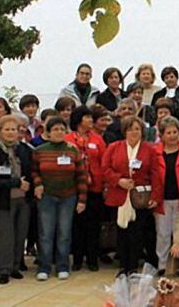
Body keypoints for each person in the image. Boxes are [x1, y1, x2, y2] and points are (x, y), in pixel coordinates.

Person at [32, 117, 87, 281]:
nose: (59, 132)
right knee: (45, 233)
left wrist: (82, 199)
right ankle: (44, 267)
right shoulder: (39, 150)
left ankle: (63, 266)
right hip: (46, 197)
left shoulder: (73, 150)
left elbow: (81, 176)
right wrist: (38, 184)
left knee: (64, 233)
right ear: (48, 132)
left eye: (62, 129)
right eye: (55, 129)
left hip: (68, 197)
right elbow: (34, 171)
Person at [102, 115, 157, 275]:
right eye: (130, 129)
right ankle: (123, 266)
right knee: (121, 233)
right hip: (118, 196)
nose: (134, 132)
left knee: (137, 234)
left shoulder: (149, 150)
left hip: (140, 198)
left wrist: (155, 195)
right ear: (124, 131)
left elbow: (155, 173)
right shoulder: (114, 147)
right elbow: (105, 168)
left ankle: (132, 267)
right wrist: (119, 181)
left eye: (137, 129)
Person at [0, 115, 34, 284]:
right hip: (3, 201)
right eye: (6, 129)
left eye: (14, 129)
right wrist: (15, 182)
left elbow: (32, 172)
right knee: (4, 236)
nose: (11, 132)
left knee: (20, 235)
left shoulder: (25, 150)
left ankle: (15, 266)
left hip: (24, 201)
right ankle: (4, 269)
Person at [150, 116, 179, 271]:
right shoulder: (154, 151)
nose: (172, 135)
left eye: (175, 132)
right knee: (162, 234)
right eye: (168, 133)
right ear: (162, 135)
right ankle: (162, 265)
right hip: (162, 199)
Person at [64, 106, 107, 272]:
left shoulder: (97, 139)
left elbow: (104, 162)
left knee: (93, 225)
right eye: (87, 117)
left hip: (94, 188)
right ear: (79, 119)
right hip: (73, 188)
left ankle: (92, 258)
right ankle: (77, 258)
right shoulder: (68, 139)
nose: (90, 120)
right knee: (76, 225)